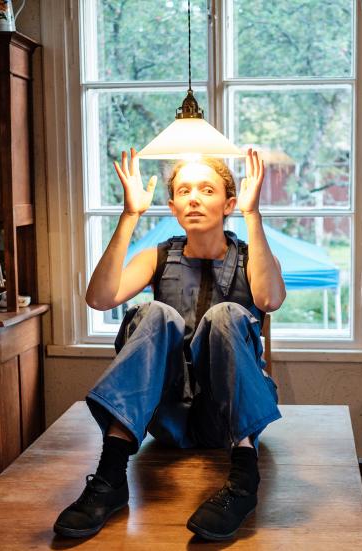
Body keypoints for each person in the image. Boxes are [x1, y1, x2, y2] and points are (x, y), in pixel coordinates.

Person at [53, 148, 286, 541]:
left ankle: (244, 482)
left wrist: (254, 216)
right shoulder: (157, 257)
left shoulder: (253, 258)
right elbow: (99, 298)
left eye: (207, 189)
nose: (194, 197)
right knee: (156, 314)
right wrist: (130, 216)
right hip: (166, 415)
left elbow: (270, 300)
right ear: (173, 206)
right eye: (184, 190)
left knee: (227, 314)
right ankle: (110, 479)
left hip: (226, 421)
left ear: (229, 202)